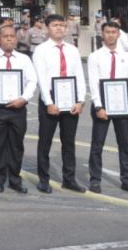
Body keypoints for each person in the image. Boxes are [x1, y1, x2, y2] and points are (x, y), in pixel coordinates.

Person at [0, 24, 37, 194]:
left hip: (18, 107)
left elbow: (32, 81)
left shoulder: (24, 59)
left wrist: (23, 99)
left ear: (16, 38)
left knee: (16, 145)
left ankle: (15, 180)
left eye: (12, 36)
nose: (9, 39)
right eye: (5, 36)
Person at [32, 14, 87, 194]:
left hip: (70, 99)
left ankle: (69, 179)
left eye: (62, 25)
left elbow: (79, 75)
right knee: (45, 142)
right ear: (47, 28)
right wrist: (49, 102)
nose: (59, 28)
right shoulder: (41, 50)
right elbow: (41, 78)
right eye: (55, 25)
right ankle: (43, 179)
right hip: (50, 98)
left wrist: (80, 100)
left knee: (69, 142)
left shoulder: (72, 50)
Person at [87, 21, 128, 195]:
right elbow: (93, 83)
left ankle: (127, 180)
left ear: (119, 34)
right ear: (102, 34)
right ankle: (95, 180)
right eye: (107, 32)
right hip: (102, 105)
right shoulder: (95, 56)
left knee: (124, 144)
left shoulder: (127, 57)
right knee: (97, 144)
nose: (110, 35)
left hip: (122, 105)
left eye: (113, 32)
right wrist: (98, 106)